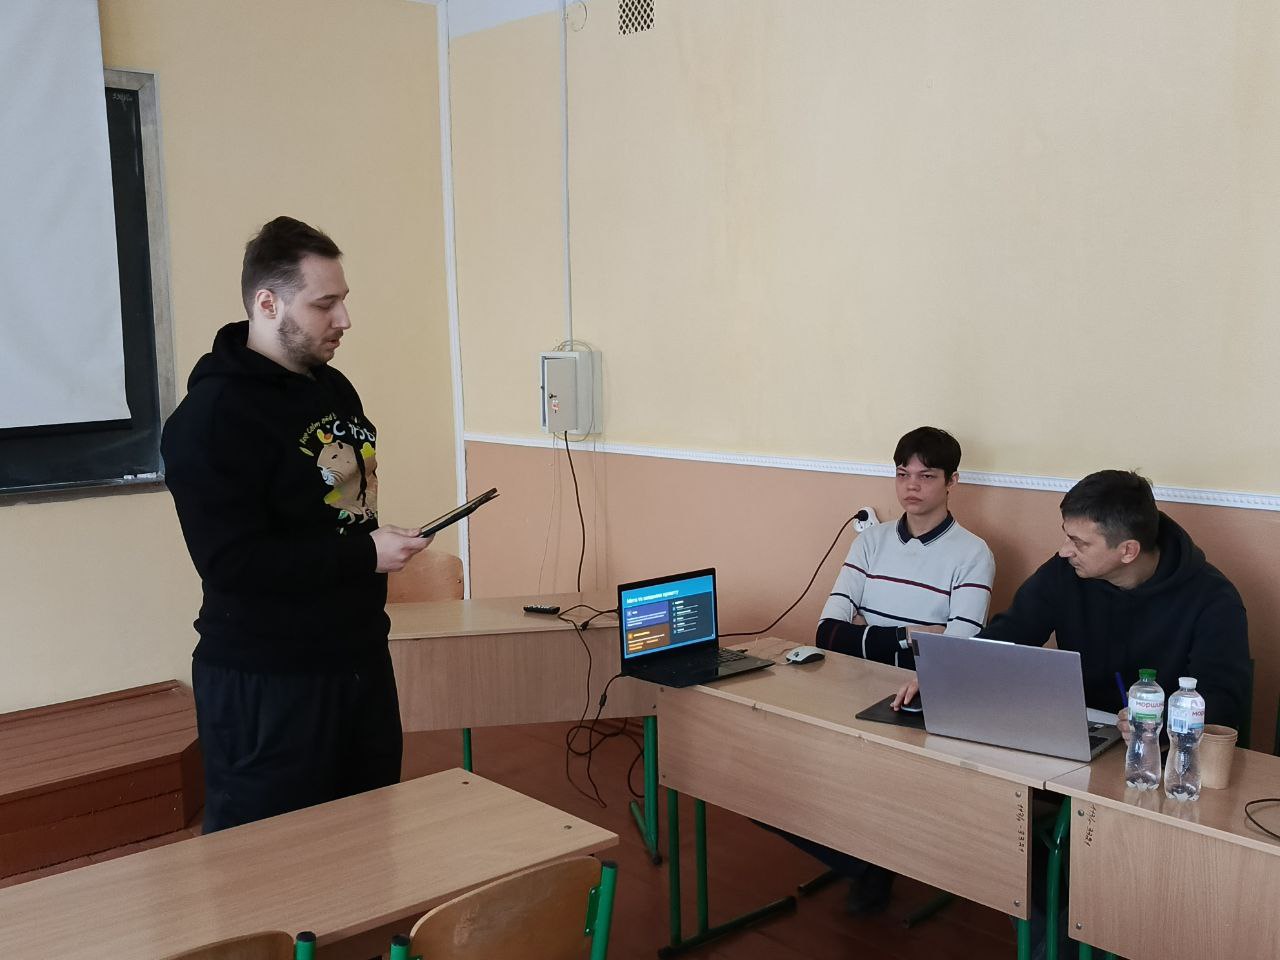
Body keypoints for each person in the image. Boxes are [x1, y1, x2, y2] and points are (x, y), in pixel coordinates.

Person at [162, 216, 431, 832]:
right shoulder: (211, 419)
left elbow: (339, 514)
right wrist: (365, 556)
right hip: (269, 680)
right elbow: (232, 564)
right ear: (267, 303)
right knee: (272, 861)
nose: (344, 320)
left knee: (366, 839)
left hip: (358, 657)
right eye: (324, 304)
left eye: (343, 301)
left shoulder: (334, 388)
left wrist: (374, 546)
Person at [784, 427, 996, 916]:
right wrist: (911, 635)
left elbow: (952, 657)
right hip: (848, 684)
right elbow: (826, 634)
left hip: (920, 699)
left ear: (952, 481)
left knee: (887, 778)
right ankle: (862, 859)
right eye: (903, 474)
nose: (911, 486)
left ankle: (877, 859)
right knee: (786, 769)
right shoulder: (871, 542)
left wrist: (873, 637)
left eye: (927, 475)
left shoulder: (972, 553)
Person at [893, 469, 1251, 728]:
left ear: (1127, 550)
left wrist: (1153, 723)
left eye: (1079, 542)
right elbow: (1010, 633)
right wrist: (947, 673)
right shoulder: (1067, 572)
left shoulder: (1213, 600)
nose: (1065, 551)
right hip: (1078, 731)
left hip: (1163, 755)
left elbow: (1222, 702)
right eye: (1067, 536)